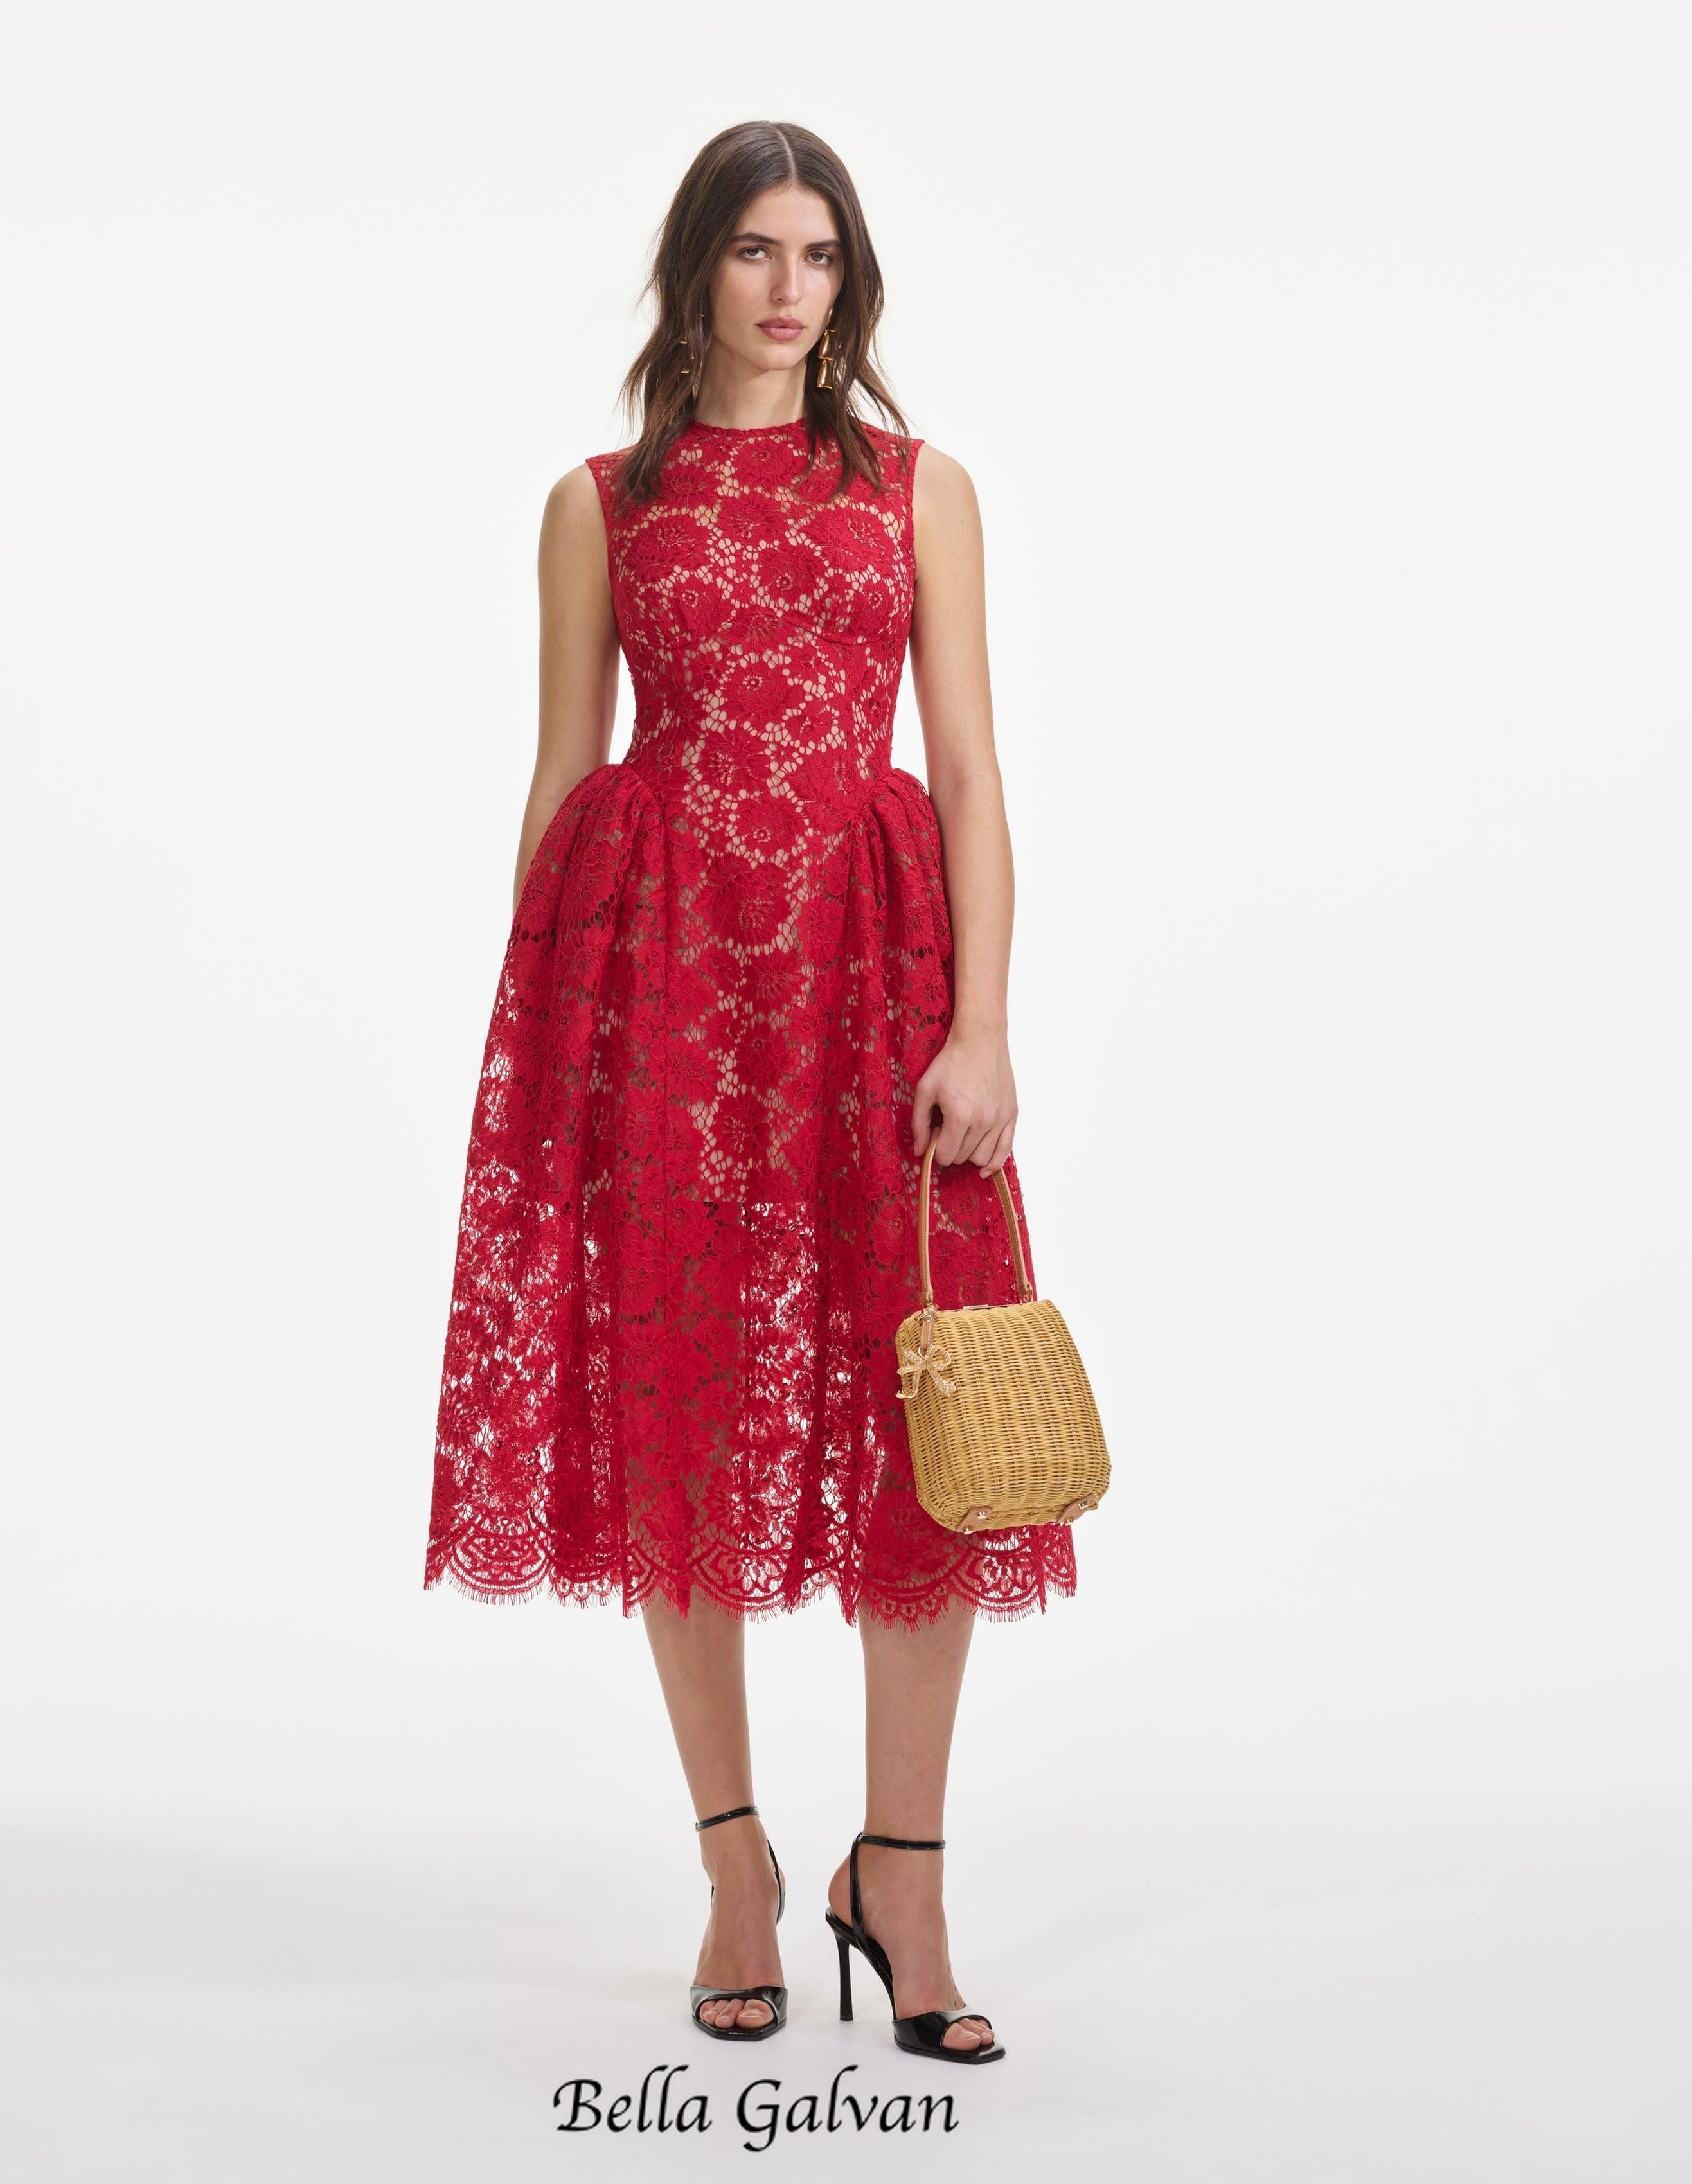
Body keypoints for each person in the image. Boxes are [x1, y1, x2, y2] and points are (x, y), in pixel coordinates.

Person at [425, 120, 1078, 2064]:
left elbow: (971, 771)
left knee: (924, 1434)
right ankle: (734, 1871)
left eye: (821, 255)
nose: (791, 290)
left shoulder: (919, 490)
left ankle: (905, 1878)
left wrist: (984, 1026)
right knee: (681, 1420)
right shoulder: (600, 506)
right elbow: (566, 777)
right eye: (755, 251)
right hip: (669, 1001)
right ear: (695, 268)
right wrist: (540, 1045)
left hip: (880, 990)